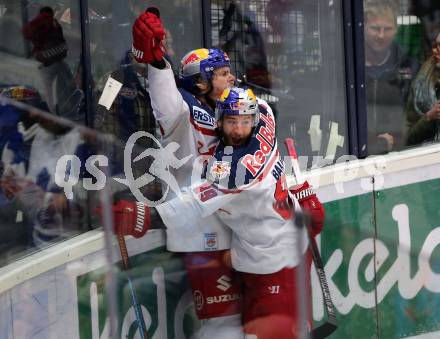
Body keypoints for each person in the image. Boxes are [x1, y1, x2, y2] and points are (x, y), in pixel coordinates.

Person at [110, 86, 325, 338]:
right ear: (219, 120)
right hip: (274, 247)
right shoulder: (265, 115)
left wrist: (142, 217)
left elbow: (192, 204)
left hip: (278, 265)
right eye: (232, 121)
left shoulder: (237, 170)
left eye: (245, 122)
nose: (238, 130)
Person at [129, 8, 242, 338]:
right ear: (202, 81)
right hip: (202, 232)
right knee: (223, 324)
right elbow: (164, 99)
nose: (231, 78)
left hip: (232, 227)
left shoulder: (228, 112)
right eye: (223, 73)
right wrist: (156, 62)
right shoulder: (183, 109)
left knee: (242, 318)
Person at [364, 0, 419, 154]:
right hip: (359, 155)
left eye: (387, 29)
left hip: (401, 154)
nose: (381, 35)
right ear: (363, 28)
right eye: (375, 28)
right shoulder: (349, 69)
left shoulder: (409, 67)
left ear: (396, 30)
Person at [405, 29, 440, 145]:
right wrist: (429, 117)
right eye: (436, 45)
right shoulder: (423, 79)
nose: (436, 51)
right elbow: (408, 137)